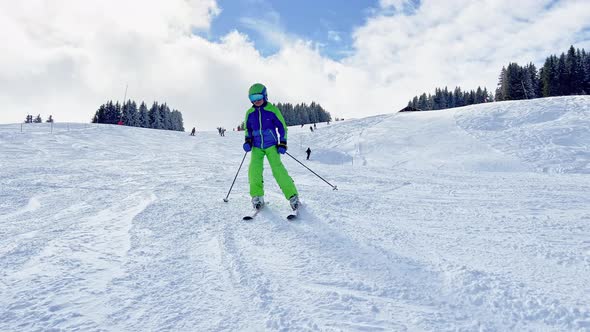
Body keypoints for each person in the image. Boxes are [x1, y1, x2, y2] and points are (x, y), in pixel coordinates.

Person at [243, 83, 300, 211]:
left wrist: (283, 142)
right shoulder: (249, 113)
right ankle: (257, 197)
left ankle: (293, 196)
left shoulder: (272, 110)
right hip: (257, 147)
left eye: (258, 97)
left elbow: (282, 127)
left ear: (265, 96)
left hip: (271, 146)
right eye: (253, 98)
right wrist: (248, 141)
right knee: (254, 170)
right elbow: (248, 129)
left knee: (278, 170)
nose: (256, 101)